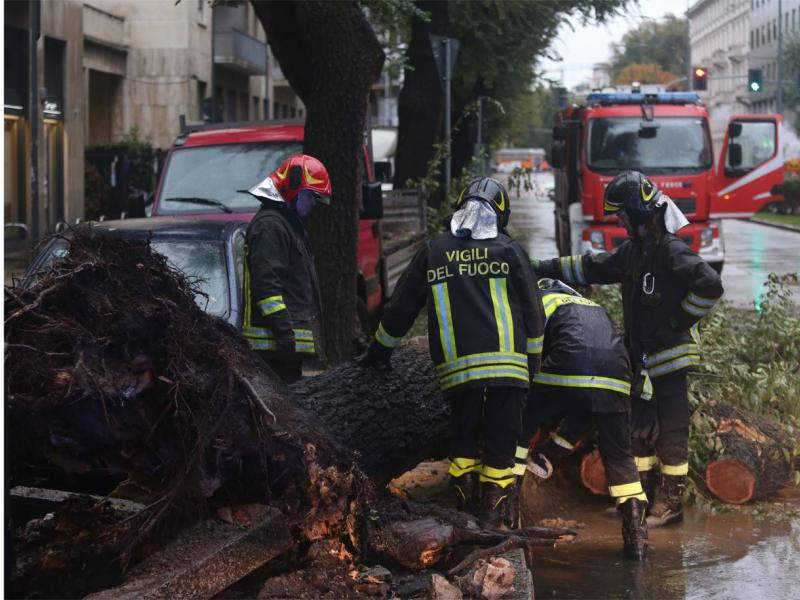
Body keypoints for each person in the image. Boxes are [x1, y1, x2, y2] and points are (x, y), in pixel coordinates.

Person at [535, 171, 723, 528]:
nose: (619, 220)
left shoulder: (671, 251)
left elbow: (710, 285)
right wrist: (539, 266)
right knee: (638, 427)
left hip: (669, 358)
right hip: (643, 357)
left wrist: (678, 322)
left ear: (639, 211)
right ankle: (640, 498)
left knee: (670, 429)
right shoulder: (636, 253)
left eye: (622, 213)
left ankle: (670, 503)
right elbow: (591, 266)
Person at [362, 177, 546, 527]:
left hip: (457, 369)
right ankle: (492, 514)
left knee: (463, 432)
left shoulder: (435, 250)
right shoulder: (508, 250)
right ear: (500, 214)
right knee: (501, 439)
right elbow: (534, 312)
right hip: (508, 367)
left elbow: (401, 308)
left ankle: (464, 507)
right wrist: (532, 363)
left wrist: (378, 353)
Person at [512, 278, 648, 560]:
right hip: (616, 377)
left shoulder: (537, 300)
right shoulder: (594, 308)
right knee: (620, 457)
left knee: (520, 427)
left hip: (566, 366)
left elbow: (526, 353)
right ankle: (636, 533)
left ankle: (506, 511)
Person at [242, 154, 331, 383]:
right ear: (292, 190)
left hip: (284, 348)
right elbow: (267, 288)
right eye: (311, 195)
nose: (313, 203)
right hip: (274, 351)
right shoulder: (271, 226)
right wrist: (285, 334)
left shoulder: (287, 225)